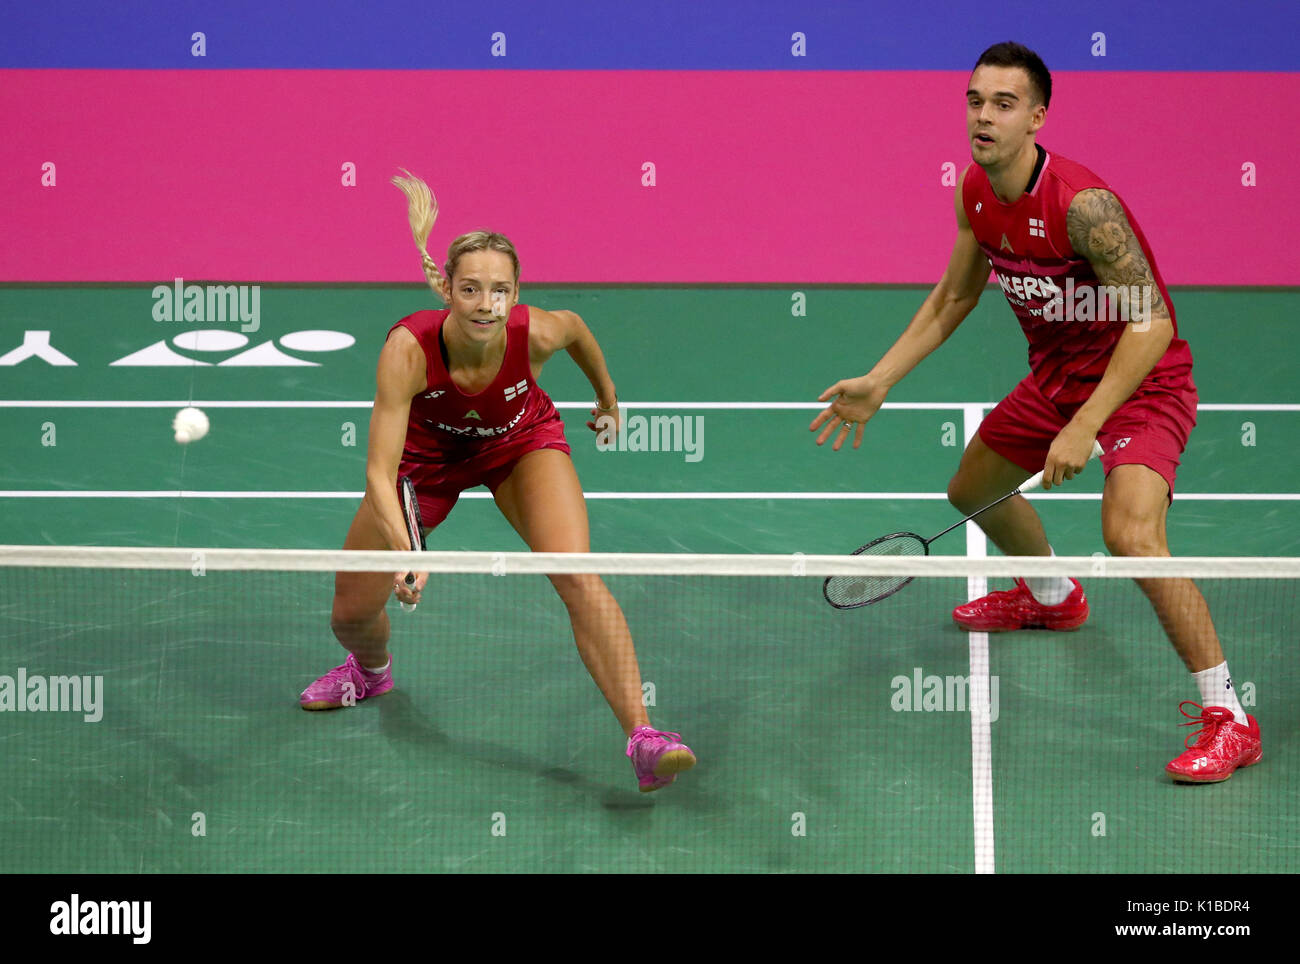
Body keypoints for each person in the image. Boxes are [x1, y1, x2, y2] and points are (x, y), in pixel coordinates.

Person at [811, 42, 1260, 784]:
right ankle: (1054, 596)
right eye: (975, 100)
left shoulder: (1085, 207)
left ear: (1038, 116)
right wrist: (881, 379)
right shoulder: (976, 193)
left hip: (1138, 383)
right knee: (971, 489)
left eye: (1004, 103)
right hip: (1055, 380)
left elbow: (1151, 324)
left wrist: (1088, 426)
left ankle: (1230, 716)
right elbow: (955, 296)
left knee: (1132, 535)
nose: (984, 116)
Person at [300, 171, 696, 793]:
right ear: (445, 288)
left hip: (519, 443)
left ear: (516, 294)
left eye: (500, 291)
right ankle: (370, 671)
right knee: (349, 612)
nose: (486, 304)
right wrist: (407, 553)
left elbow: (579, 333)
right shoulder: (408, 348)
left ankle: (644, 737)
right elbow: (379, 471)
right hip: (426, 463)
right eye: (471, 289)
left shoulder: (535, 331)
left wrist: (608, 396)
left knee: (576, 573)